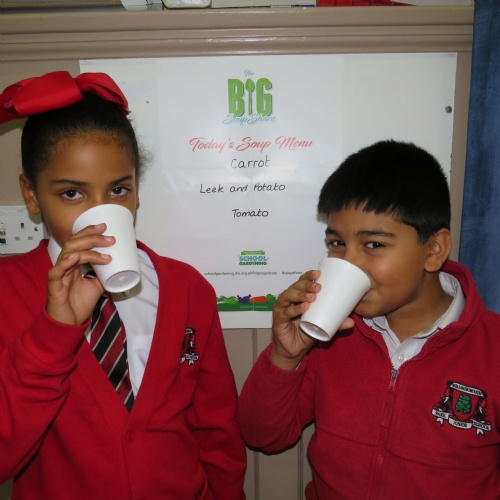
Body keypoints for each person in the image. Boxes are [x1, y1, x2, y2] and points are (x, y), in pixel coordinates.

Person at [0, 71, 246, 499]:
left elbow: (218, 428)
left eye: (118, 190)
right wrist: (53, 334)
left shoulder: (187, 288)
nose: (99, 217)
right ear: (32, 194)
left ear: (137, 189)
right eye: (72, 193)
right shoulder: (7, 290)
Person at [237, 140, 500, 498]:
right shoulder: (330, 335)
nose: (350, 263)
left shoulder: (491, 350)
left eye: (374, 245)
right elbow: (263, 435)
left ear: (434, 249)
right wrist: (286, 355)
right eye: (336, 243)